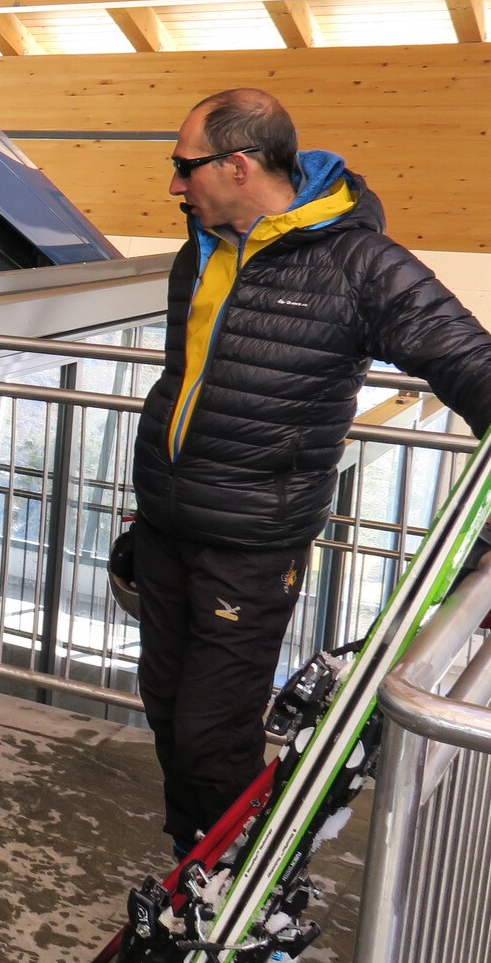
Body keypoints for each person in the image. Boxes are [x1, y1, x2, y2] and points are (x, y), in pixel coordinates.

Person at [131, 87, 491, 855]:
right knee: (164, 708)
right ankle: (191, 870)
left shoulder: (358, 264)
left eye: (184, 166)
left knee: (210, 734)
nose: (173, 185)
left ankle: (244, 891)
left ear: (237, 166)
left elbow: (471, 363)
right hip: (164, 527)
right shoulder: (200, 249)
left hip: (252, 548)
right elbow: (186, 384)